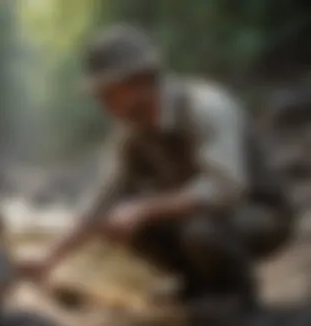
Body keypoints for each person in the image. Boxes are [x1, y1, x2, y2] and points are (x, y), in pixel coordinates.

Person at [29, 24, 294, 309]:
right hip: (203, 218)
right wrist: (49, 257)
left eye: (107, 91)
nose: (100, 102)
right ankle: (195, 285)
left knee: (198, 229)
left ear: (139, 80)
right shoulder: (131, 134)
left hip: (260, 213)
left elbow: (225, 187)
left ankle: (237, 295)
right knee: (131, 227)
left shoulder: (205, 106)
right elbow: (102, 200)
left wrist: (144, 209)